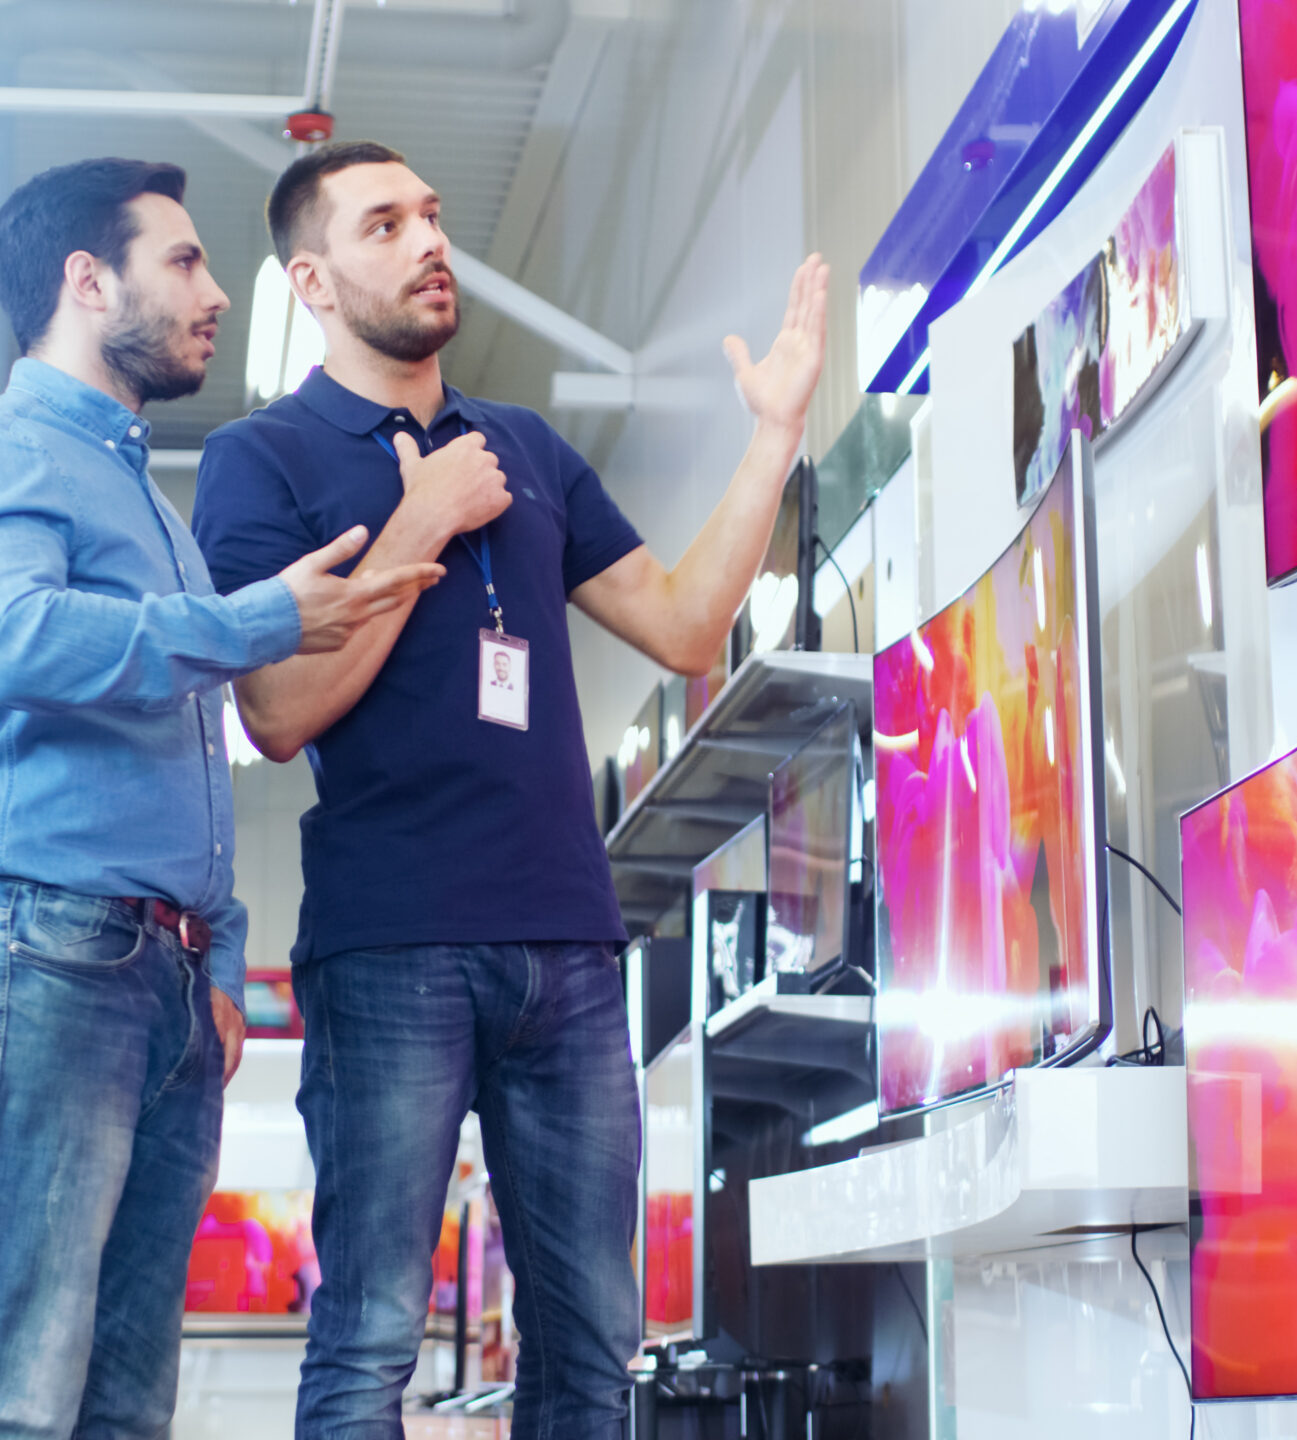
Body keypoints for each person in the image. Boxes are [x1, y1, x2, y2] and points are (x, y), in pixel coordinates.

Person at [191, 141, 827, 1439]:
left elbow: (691, 626)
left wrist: (773, 437)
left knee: (594, 1343)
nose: (431, 240)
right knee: (369, 1338)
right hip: (388, 949)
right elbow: (273, 714)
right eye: (386, 225)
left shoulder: (526, 445)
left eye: (433, 213)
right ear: (311, 279)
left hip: (570, 951)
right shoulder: (263, 461)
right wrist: (419, 522)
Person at [0, 156, 444, 1440]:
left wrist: (220, 953)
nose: (216, 295)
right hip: (44, 956)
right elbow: (10, 641)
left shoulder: (149, 503)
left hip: (158, 982)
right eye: (183, 263)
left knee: (122, 1406)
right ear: (89, 281)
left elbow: (185, 748)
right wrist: (258, 620)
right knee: (3, 1395)